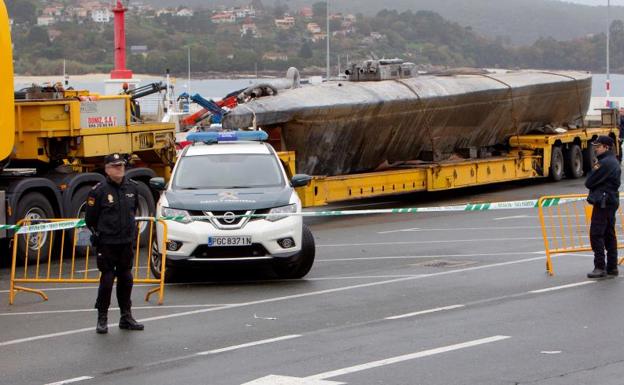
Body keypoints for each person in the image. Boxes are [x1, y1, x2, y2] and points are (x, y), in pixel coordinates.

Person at [85, 153, 145, 334]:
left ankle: (126, 316)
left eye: (121, 166)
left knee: (126, 278)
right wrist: (102, 234)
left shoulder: (132, 188)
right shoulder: (98, 191)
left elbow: (132, 211)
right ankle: (102, 318)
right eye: (115, 166)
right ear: (107, 169)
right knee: (107, 279)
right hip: (107, 242)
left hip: (125, 241)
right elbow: (90, 219)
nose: (119, 169)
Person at [585, 136, 621, 278]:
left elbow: (589, 181)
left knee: (596, 233)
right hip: (610, 200)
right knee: (609, 234)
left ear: (606, 147)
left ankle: (600, 266)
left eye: (598, 146)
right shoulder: (613, 161)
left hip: (603, 201)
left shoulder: (604, 163)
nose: (595, 149)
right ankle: (612, 267)